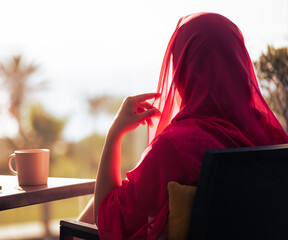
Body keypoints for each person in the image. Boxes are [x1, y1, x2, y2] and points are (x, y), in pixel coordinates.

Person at [78, 12, 288, 239]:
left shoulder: (176, 146)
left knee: (86, 218)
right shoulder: (271, 137)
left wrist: (115, 132)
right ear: (239, 62)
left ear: (181, 72)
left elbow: (107, 217)